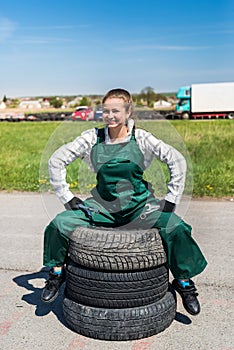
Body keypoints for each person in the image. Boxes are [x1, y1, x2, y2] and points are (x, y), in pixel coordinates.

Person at [41, 88, 207, 315]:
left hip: (139, 206)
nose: (109, 116)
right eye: (105, 111)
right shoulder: (92, 137)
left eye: (115, 111)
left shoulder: (142, 137)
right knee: (59, 224)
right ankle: (57, 273)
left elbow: (176, 160)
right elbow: (56, 160)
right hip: (102, 207)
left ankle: (183, 281)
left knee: (175, 226)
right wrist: (67, 198)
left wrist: (171, 201)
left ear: (128, 112)